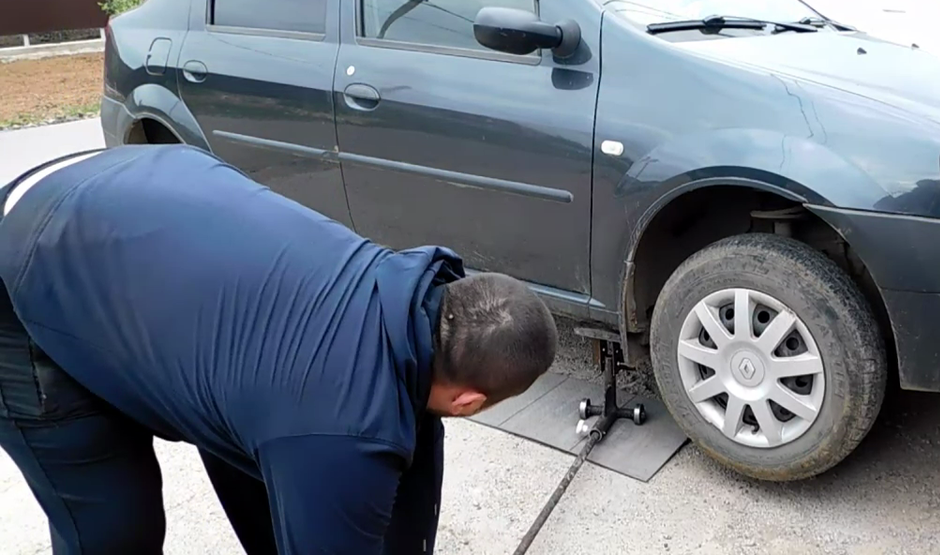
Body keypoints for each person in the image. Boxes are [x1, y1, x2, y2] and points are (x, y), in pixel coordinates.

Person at [0, 144, 557, 555]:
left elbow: (382, 464)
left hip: (133, 183)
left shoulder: (404, 295)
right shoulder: (334, 424)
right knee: (113, 523)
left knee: (267, 447)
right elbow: (342, 458)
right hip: (27, 253)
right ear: (467, 401)